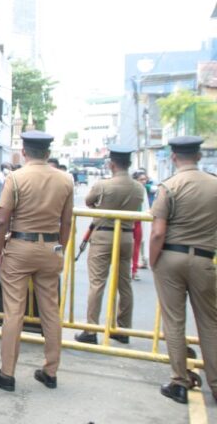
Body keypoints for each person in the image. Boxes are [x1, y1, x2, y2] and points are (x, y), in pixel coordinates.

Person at [0, 131, 73, 392]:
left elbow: (2, 220)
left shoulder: (16, 177)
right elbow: (66, 222)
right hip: (51, 247)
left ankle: (7, 373)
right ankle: (50, 370)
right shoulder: (65, 180)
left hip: (21, 246)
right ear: (48, 153)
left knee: (14, 311)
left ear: (24, 152)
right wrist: (60, 247)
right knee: (50, 310)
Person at [149, 136, 217, 405]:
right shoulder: (214, 185)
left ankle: (179, 382)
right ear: (199, 157)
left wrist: (153, 261)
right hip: (204, 259)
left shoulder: (170, 186)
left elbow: (157, 233)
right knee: (210, 323)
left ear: (174, 158)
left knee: (174, 322)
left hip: (171, 257)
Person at [75, 146, 145, 345]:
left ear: (111, 164)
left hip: (104, 235)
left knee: (97, 283)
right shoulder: (138, 187)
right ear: (129, 164)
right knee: (125, 284)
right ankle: (122, 329)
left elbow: (89, 202)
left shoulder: (103, 185)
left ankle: (91, 329)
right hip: (126, 237)